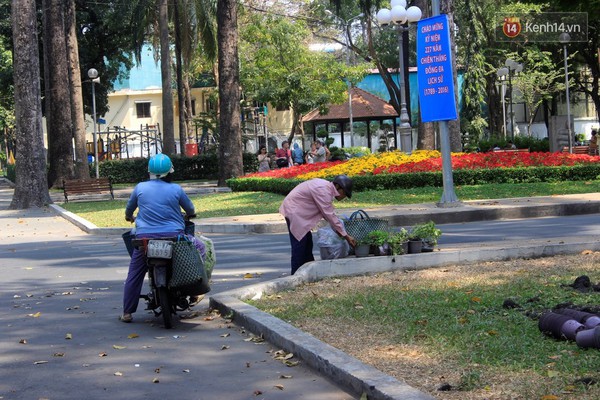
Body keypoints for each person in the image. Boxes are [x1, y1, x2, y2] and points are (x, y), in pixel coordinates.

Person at [120, 153, 196, 323]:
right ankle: (194, 293)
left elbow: (129, 209)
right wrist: (190, 215)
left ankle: (127, 312)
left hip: (144, 239)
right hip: (174, 238)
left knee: (135, 273)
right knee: (195, 254)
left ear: (149, 171)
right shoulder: (176, 189)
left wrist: (129, 217)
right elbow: (190, 209)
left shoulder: (140, 188)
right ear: (170, 172)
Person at [279, 175, 357, 275]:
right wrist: (346, 236)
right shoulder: (323, 190)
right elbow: (328, 214)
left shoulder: (326, 188)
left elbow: (328, 214)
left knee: (307, 244)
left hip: (298, 212)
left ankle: (309, 272)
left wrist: (340, 230)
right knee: (300, 245)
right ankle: (295, 275)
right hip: (295, 212)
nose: (344, 196)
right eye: (344, 193)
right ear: (337, 186)